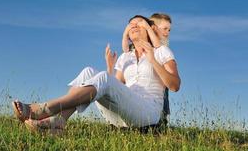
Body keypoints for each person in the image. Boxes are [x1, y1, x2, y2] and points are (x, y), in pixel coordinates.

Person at [12, 15, 181, 133]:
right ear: (127, 35)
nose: (135, 26)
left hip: (147, 113)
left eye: (140, 24)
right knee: (88, 71)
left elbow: (175, 86)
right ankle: (60, 121)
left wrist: (152, 60)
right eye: (131, 26)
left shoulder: (161, 52)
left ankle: (46, 108)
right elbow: (114, 89)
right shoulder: (125, 57)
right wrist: (110, 67)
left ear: (149, 30)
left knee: (102, 78)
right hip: (124, 116)